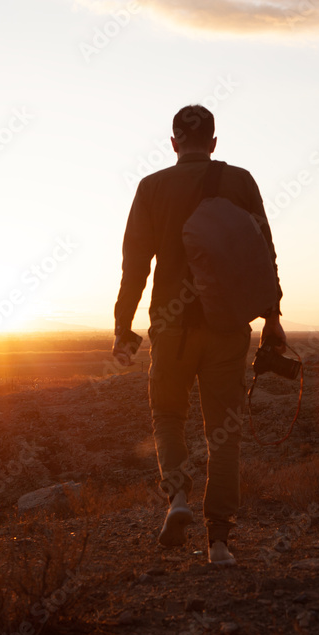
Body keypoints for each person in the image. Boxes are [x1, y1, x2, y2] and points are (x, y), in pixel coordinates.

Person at [113, 104, 285, 566]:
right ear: (213, 142)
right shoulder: (240, 180)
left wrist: (122, 326)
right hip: (228, 324)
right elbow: (264, 250)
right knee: (223, 433)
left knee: (167, 415)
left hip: (171, 327)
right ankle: (220, 543)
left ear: (173, 143)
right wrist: (274, 315)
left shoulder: (151, 188)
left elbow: (135, 266)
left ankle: (178, 500)